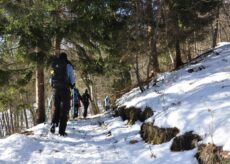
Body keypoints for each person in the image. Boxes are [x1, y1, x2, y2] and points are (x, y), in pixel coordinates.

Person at [50, 52, 75, 136]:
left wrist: (53, 85)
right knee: (65, 110)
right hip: (65, 90)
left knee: (56, 108)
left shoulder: (54, 65)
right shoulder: (68, 65)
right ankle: (61, 131)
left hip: (56, 89)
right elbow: (72, 78)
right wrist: (72, 85)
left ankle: (54, 123)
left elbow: (51, 77)